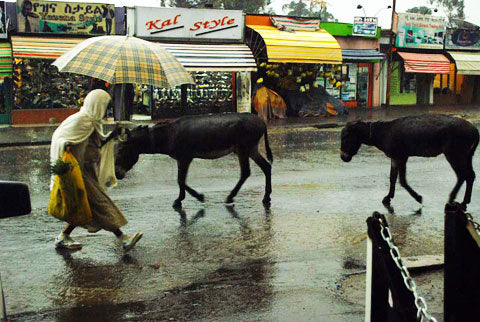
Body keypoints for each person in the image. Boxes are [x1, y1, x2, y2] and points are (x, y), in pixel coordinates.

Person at [49, 89, 142, 251]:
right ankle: (123, 238)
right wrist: (66, 145)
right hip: (76, 172)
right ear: (97, 104)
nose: (106, 110)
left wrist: (112, 135)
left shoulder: (93, 122)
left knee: (86, 207)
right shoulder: (80, 120)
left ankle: (63, 237)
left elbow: (97, 145)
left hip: (87, 172)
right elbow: (59, 137)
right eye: (104, 106)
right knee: (100, 204)